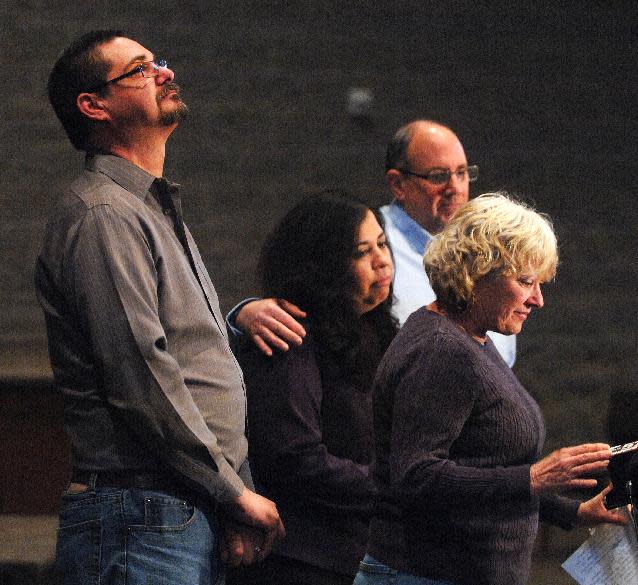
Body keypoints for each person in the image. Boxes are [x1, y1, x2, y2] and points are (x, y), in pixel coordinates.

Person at [36, 30, 283, 584]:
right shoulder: (103, 216)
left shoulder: (148, 207)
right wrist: (233, 491)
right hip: (139, 516)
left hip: (174, 508)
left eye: (159, 63)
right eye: (140, 70)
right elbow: (141, 377)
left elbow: (202, 364)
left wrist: (231, 491)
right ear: (93, 105)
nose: (165, 74)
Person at [352, 193, 627, 585]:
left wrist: (573, 511)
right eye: (526, 281)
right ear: (477, 272)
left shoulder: (472, 338)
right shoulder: (441, 350)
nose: (538, 299)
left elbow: (483, 468)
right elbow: (416, 476)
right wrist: (532, 478)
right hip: (426, 573)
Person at [230, 120, 516, 367]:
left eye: (463, 173)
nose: (456, 187)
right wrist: (244, 314)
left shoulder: (486, 253)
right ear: (398, 184)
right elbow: (306, 295)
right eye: (439, 176)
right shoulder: (368, 238)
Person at [228, 192, 398, 585]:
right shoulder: (288, 335)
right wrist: (392, 488)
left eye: (382, 243)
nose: (381, 260)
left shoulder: (376, 333)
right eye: (362, 251)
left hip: (356, 556)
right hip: (302, 562)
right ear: (326, 266)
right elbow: (294, 457)